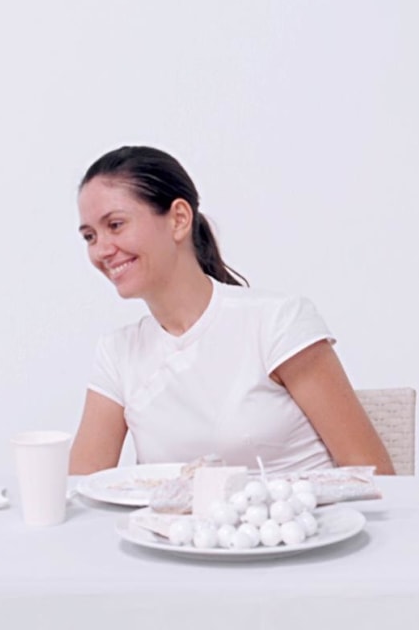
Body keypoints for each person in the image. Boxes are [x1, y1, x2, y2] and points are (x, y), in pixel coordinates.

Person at [69, 146, 394, 475]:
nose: (102, 250)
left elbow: (374, 474)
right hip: (177, 527)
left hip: (300, 524)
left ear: (179, 220)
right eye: (90, 236)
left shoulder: (277, 322)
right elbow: (82, 489)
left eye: (116, 225)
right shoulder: (118, 352)